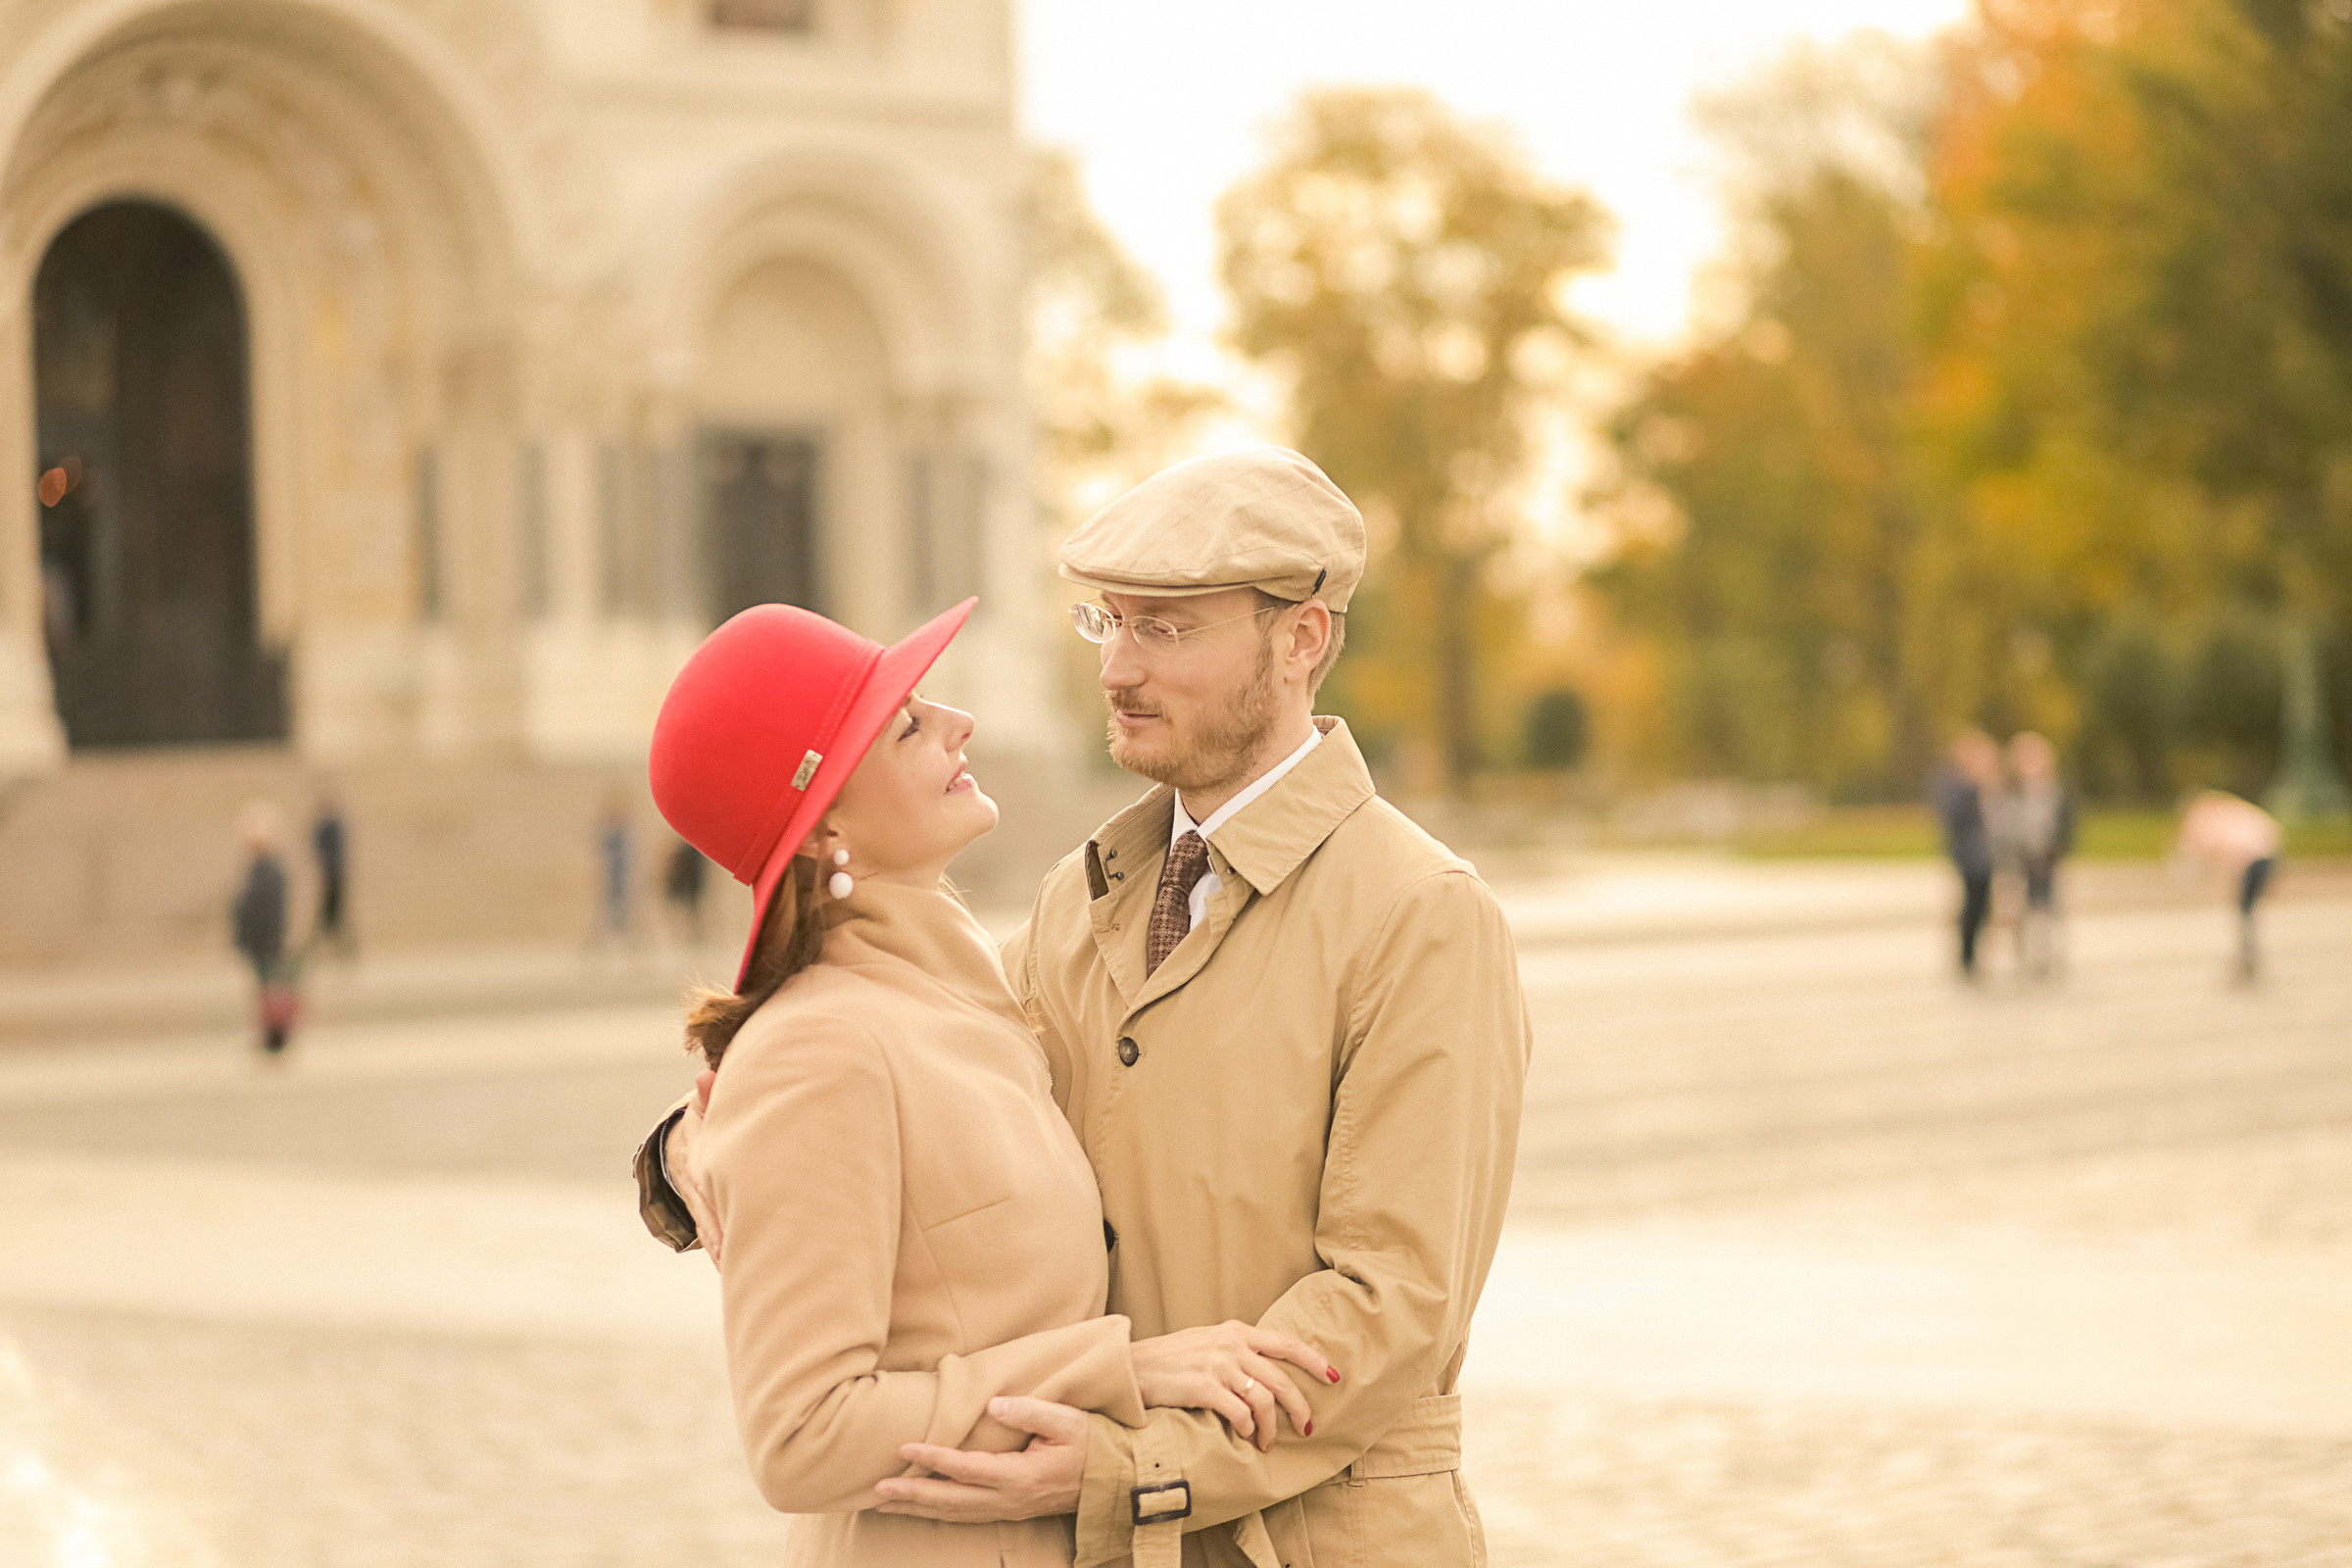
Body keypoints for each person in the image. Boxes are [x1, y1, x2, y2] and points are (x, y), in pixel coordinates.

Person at [643, 448, 1532, 1568]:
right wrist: (690, 1146)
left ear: (1301, 639)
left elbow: (1389, 1304)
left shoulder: (1421, 914)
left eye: (1165, 628)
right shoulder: (1081, 901)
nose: (1116, 668)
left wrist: (1126, 1466)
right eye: (1107, 621)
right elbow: (909, 1082)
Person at [646, 596, 1334, 1566]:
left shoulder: (970, 993)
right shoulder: (821, 1047)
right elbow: (800, 1436)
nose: (958, 721)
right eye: (906, 725)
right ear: (822, 826)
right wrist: (1120, 1369)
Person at [2174, 789, 2282, 981]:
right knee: (2248, 909)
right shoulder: (2233, 809)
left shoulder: (2206, 816)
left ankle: (2247, 956)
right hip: (2268, 856)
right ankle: (2248, 955)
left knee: (2244, 910)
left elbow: (2202, 848)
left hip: (2251, 861)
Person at [2003, 732, 2075, 979]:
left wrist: (2060, 850)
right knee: (2020, 909)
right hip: (2019, 858)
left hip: (2047, 857)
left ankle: (2047, 954)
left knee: (2049, 907)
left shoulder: (2056, 789)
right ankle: (2023, 955)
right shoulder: (2009, 791)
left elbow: (2066, 824)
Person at [231, 801, 298, 1059]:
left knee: (271, 990)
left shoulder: (271, 872)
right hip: (259, 942)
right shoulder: (260, 871)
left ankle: (276, 1037)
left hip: (267, 942)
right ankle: (270, 1036)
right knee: (265, 990)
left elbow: (268, 912)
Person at [1933, 728, 2001, 978]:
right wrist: (1975, 789)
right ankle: (1967, 956)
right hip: (1968, 854)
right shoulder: (1957, 784)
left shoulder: (1989, 784)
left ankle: (1975, 952)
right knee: (1973, 903)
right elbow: (1955, 817)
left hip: (1987, 852)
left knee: (1985, 904)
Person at [311, 786, 353, 958]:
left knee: (337, 910)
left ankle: (339, 945)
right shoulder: (324, 827)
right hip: (328, 872)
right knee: (326, 911)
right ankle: (326, 943)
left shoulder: (336, 825)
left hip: (336, 872)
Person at [593, 789, 633, 949]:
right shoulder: (607, 832)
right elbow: (601, 855)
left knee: (629, 910)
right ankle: (598, 942)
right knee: (604, 909)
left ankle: (631, 941)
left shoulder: (626, 832)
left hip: (623, 875)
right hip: (611, 875)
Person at [662, 836, 708, 947]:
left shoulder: (691, 851)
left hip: (690, 884)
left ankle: (693, 934)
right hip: (688, 884)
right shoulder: (690, 851)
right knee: (688, 910)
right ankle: (688, 934)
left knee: (691, 910)